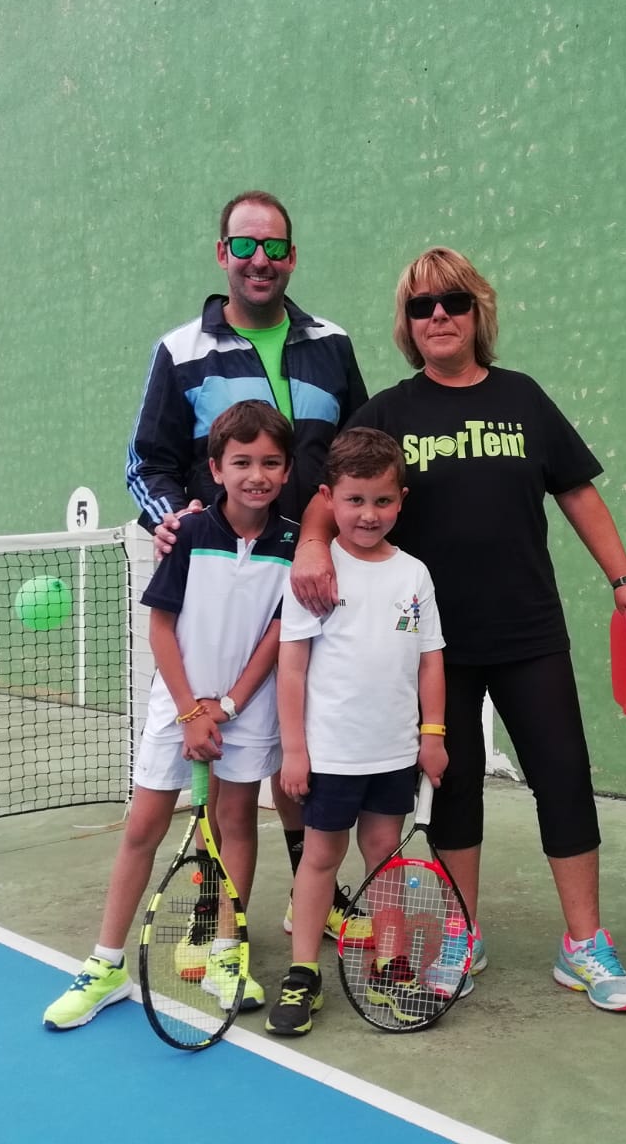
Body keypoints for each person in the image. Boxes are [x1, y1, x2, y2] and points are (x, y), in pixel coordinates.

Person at [289, 247, 626, 1013]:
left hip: (529, 630)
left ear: (477, 311)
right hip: (434, 647)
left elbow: (577, 492)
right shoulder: (388, 412)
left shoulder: (523, 397)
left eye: (453, 301)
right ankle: (463, 933)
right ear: (407, 323)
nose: (438, 316)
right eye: (421, 306)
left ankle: (584, 944)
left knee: (562, 775)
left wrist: (623, 579)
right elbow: (332, 493)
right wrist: (311, 545)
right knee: (453, 787)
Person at [124, 189, 368, 938]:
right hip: (222, 596)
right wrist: (174, 520)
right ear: (222, 253)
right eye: (245, 245)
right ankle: (213, 910)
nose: (260, 259)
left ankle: (313, 896)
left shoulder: (332, 344)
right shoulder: (180, 351)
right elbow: (146, 461)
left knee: (302, 746)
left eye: (274, 247)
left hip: (316, 581)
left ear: (291, 256)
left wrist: (329, 538)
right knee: (222, 770)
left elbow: (357, 455)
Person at [43, 401, 298, 1029]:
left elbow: (276, 635)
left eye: (270, 463)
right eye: (241, 462)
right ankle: (106, 964)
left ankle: (225, 954)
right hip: (176, 704)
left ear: (288, 471)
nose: (256, 475)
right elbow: (161, 626)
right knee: (143, 826)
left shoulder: (293, 543)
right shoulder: (185, 533)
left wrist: (228, 705)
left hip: (247, 708)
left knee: (237, 823)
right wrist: (190, 711)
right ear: (215, 468)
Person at [265, 429, 447, 1036]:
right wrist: (295, 750)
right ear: (329, 499)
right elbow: (292, 668)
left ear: (401, 500)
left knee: (385, 859)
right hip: (331, 756)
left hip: (394, 753)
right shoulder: (314, 574)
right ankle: (302, 973)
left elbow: (430, 660)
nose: (369, 514)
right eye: (355, 500)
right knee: (321, 857)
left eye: (382, 501)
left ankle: (391, 967)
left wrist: (432, 735)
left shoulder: (414, 574)